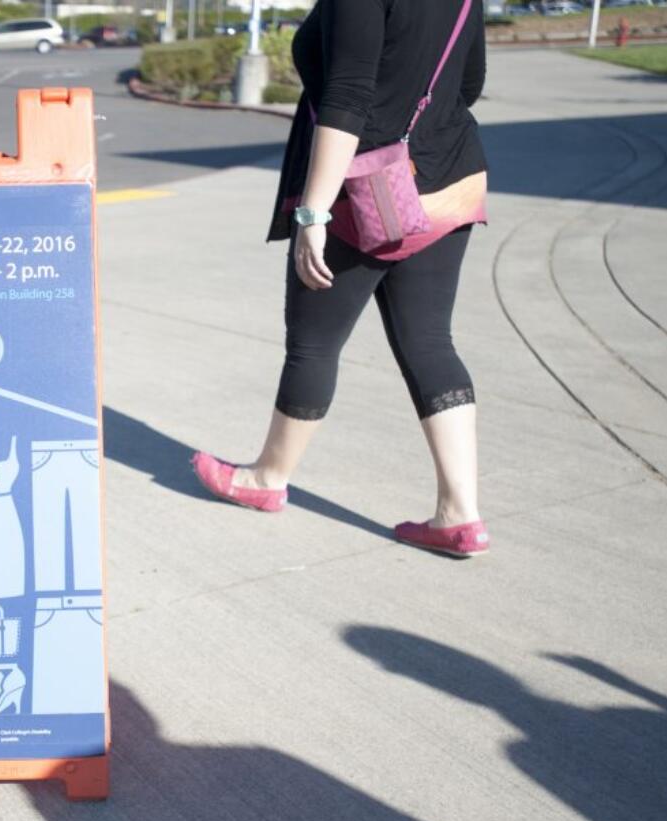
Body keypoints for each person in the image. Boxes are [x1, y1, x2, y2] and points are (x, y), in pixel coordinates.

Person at [192, 0, 491, 557]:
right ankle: (460, 514)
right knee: (429, 339)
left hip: (365, 188)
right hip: (447, 174)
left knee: (313, 340)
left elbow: (348, 96)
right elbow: (468, 81)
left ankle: (267, 478)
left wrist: (313, 213)